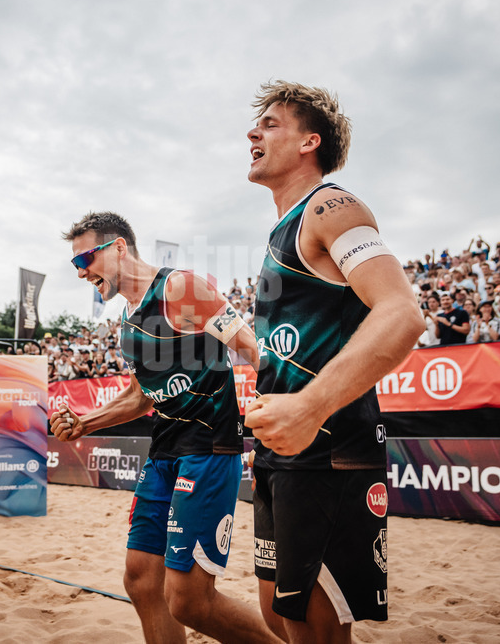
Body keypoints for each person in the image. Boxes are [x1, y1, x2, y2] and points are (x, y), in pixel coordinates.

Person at [242, 81, 423, 642]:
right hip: (283, 451)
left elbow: (402, 313)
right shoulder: (282, 230)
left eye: (271, 123)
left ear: (308, 142)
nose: (253, 131)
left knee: (314, 626)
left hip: (328, 448)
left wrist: (310, 404)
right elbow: (296, 344)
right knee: (277, 613)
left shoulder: (330, 205)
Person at [50, 212, 276, 644]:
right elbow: (141, 397)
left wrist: (296, 407)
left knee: (189, 602)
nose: (81, 273)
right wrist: (85, 423)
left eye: (84, 260)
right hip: (164, 452)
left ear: (118, 247)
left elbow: (251, 350)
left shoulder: (180, 288)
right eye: (74, 266)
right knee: (140, 581)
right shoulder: (128, 324)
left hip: (208, 449)